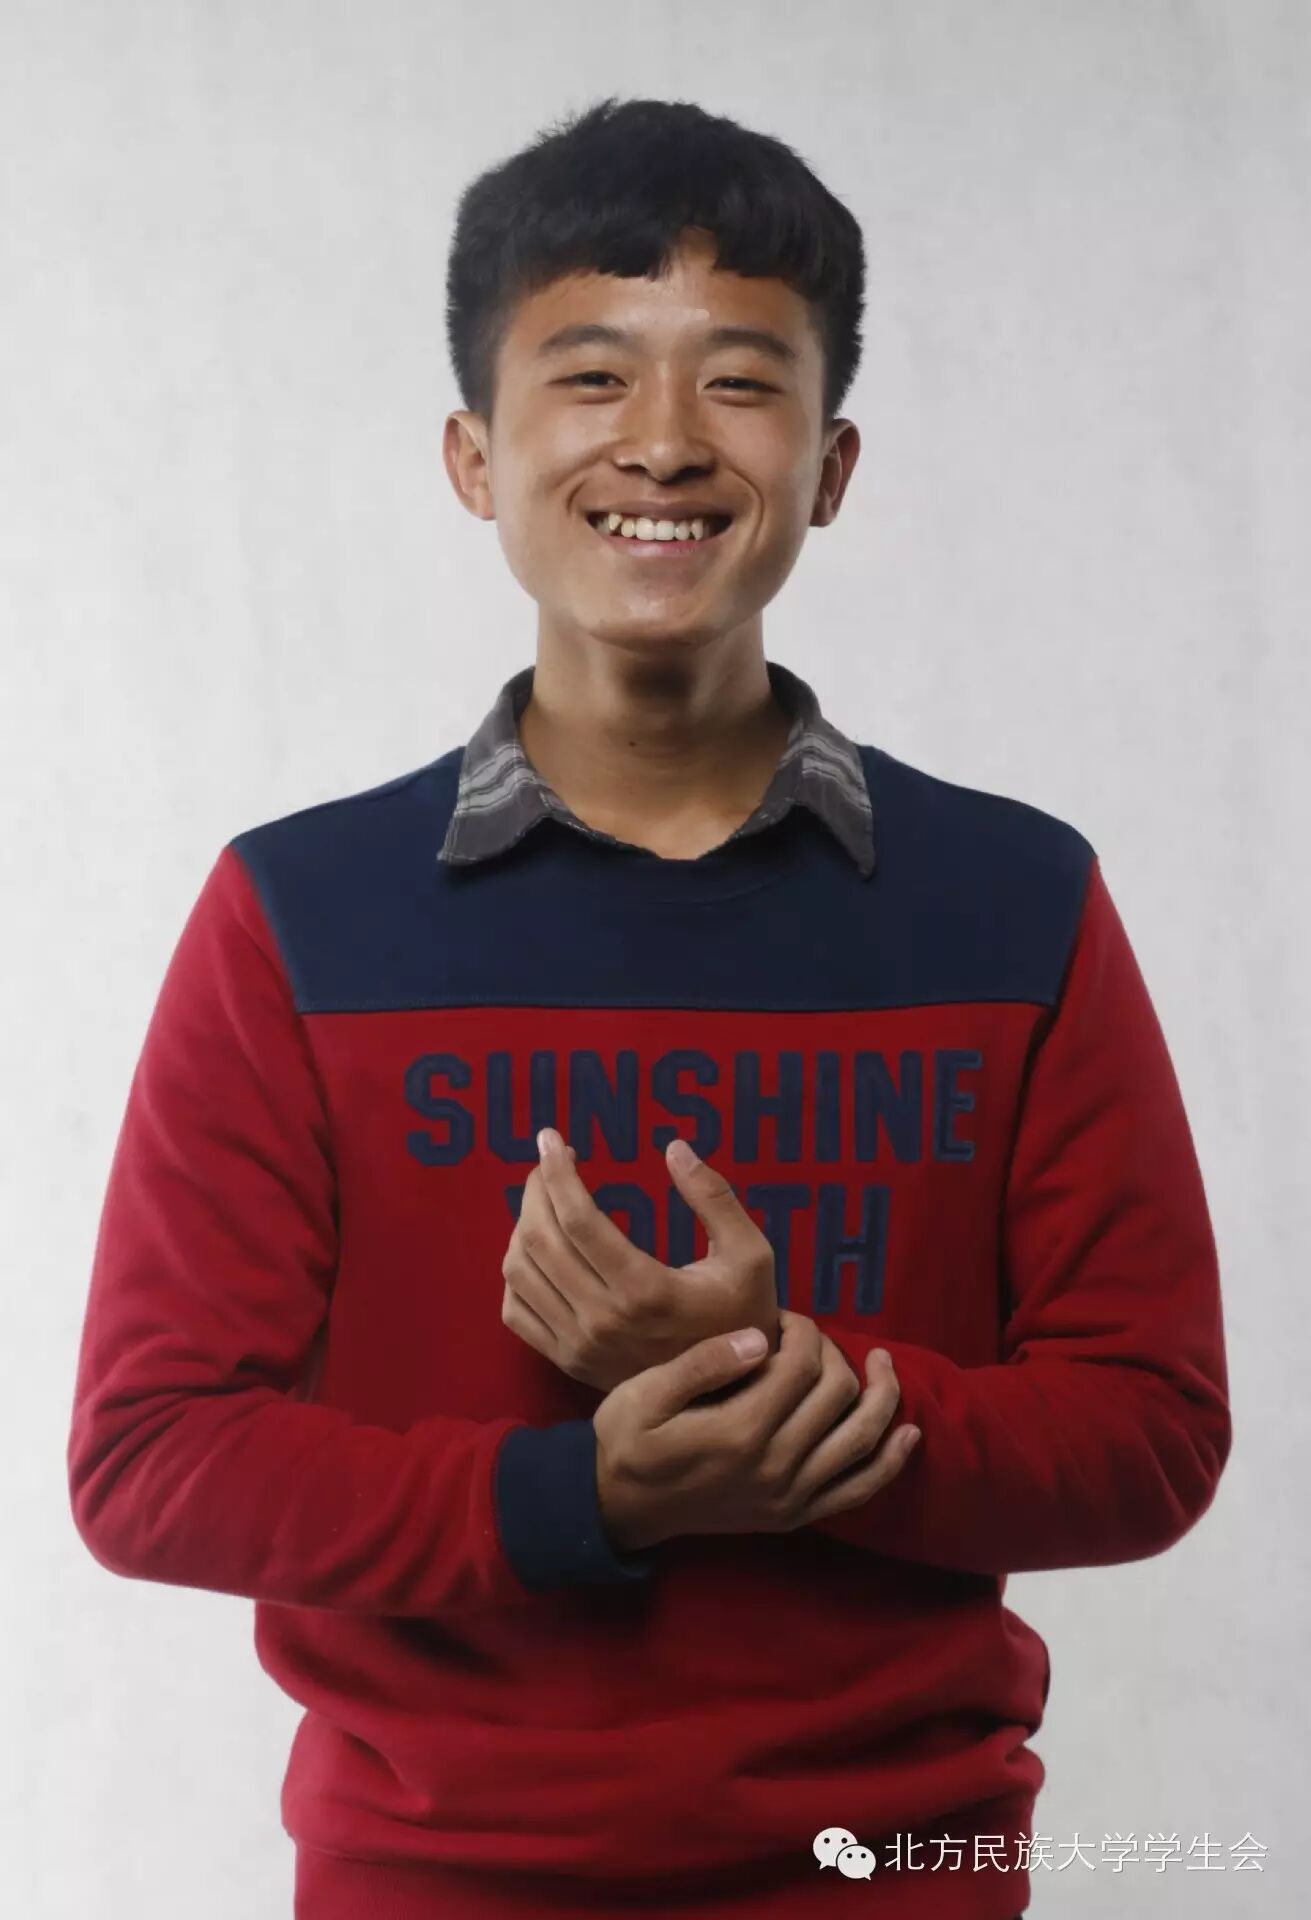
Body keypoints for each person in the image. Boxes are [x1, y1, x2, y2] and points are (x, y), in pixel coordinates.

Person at [66, 94, 1232, 1919]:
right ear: (476, 456)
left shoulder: (1018, 903)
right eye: (594, 376)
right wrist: (582, 1496)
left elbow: (1152, 1433)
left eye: (742, 382)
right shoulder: (297, 916)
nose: (668, 441)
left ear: (831, 465)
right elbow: (150, 1461)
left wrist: (780, 1385)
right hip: (434, 1881)